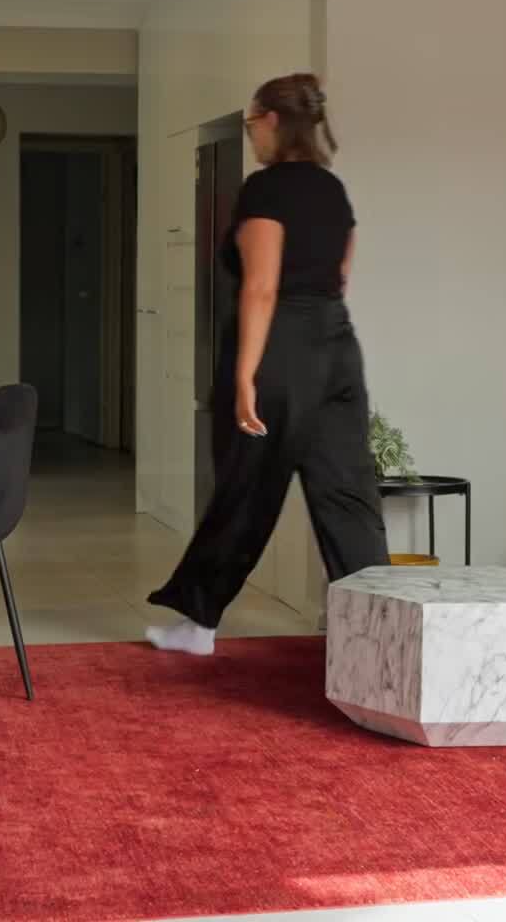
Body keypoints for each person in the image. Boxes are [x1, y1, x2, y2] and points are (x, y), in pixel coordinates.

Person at [146, 73, 389, 655]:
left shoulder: (266, 189)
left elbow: (261, 287)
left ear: (273, 121)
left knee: (247, 488)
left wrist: (244, 375)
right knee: (348, 495)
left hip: (279, 347)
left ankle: (199, 623)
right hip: (337, 347)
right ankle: (382, 639)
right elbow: (341, 275)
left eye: (251, 123)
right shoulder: (333, 190)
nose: (251, 134)